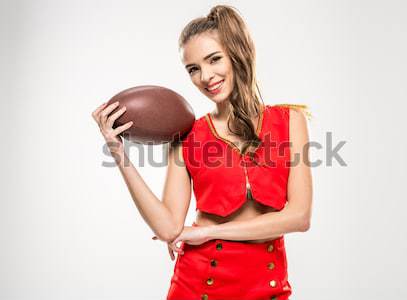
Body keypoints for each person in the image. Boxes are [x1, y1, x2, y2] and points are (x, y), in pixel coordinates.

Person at [92, 4, 312, 300]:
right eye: (193, 69)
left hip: (267, 286)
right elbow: (169, 227)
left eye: (214, 59)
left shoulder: (290, 121)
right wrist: (117, 151)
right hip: (199, 283)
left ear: (237, 53)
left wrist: (208, 232)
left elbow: (299, 217)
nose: (205, 77)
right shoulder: (186, 135)